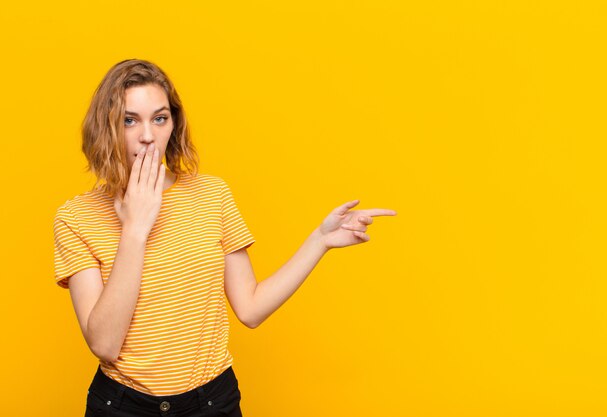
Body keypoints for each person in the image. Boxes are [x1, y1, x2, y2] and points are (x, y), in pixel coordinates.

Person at [52, 59, 397, 417]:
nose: (147, 135)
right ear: (105, 127)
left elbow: (250, 308)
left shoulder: (211, 195)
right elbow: (105, 344)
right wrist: (135, 229)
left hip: (211, 403)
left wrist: (320, 241)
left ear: (174, 123)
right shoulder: (76, 217)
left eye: (159, 118)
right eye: (129, 120)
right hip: (123, 407)